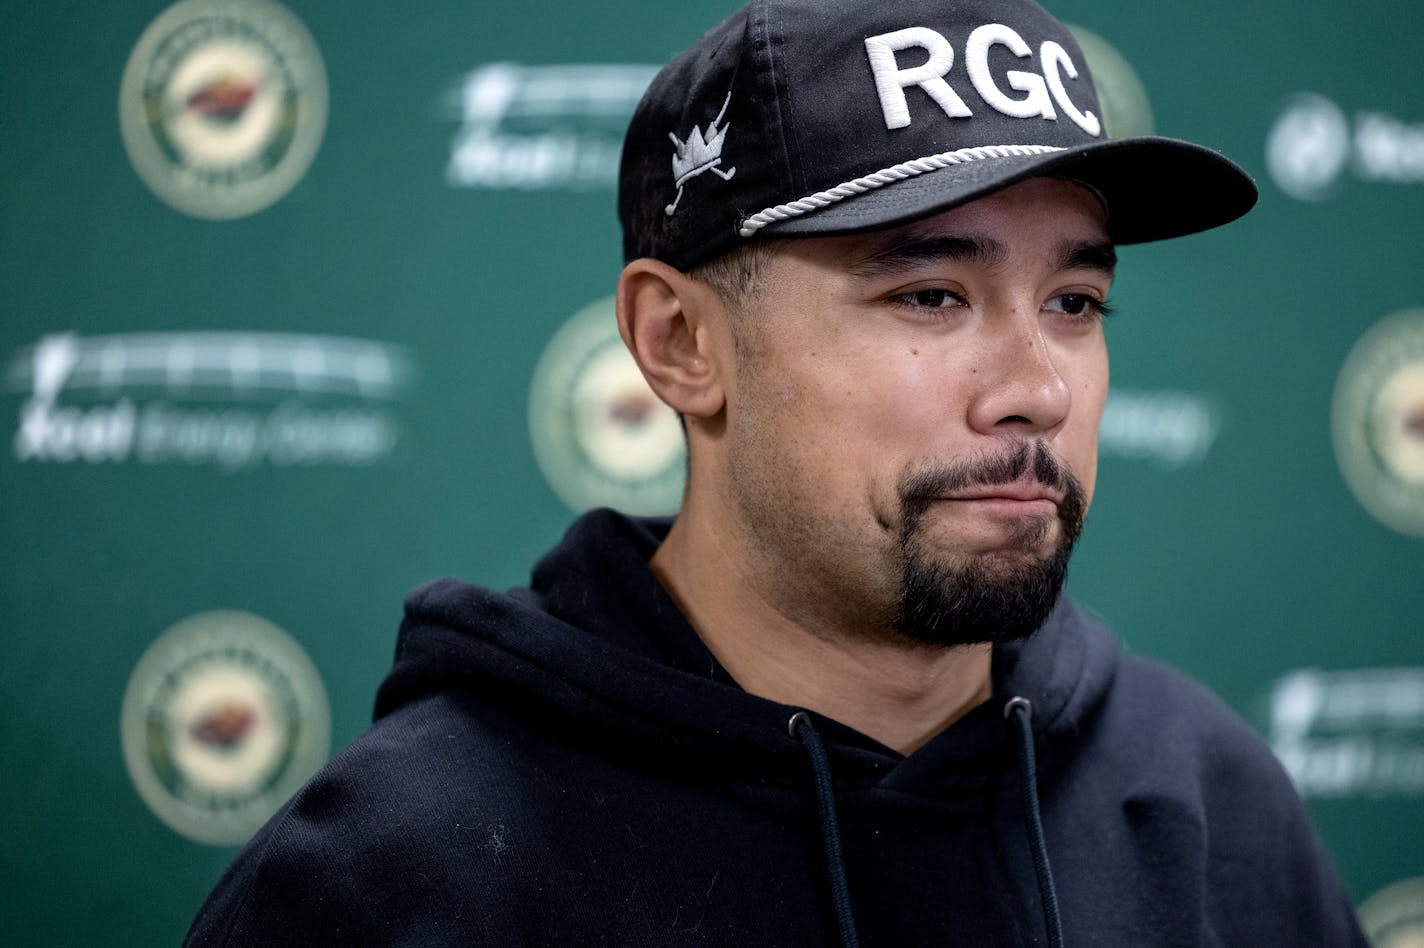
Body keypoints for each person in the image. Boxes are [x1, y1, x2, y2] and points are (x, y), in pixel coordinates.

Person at [186, 0, 1368, 944]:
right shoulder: (397, 877)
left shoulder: (1210, 803)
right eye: (929, 295)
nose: (1039, 388)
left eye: (1073, 302)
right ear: (678, 345)